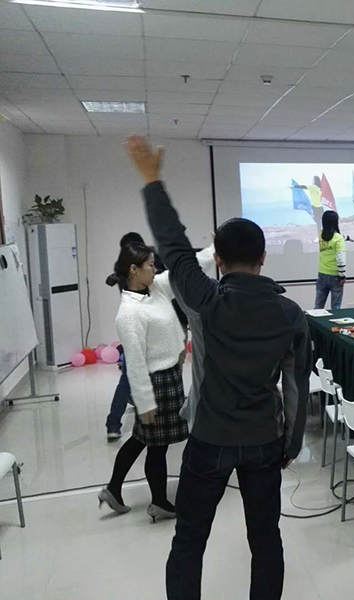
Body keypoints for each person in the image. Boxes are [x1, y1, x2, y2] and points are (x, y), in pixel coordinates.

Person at [124, 135, 312, 600]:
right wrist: (291, 443)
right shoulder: (291, 315)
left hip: (209, 440)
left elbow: (174, 248)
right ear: (263, 258)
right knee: (266, 540)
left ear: (219, 260)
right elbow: (296, 386)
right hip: (265, 442)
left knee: (189, 541)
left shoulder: (205, 301)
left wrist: (152, 180)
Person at [98, 241, 203, 521]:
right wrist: (144, 402)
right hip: (156, 383)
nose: (155, 269)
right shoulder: (129, 313)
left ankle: (113, 489)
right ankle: (159, 502)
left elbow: (181, 272)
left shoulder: (154, 289)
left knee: (141, 439)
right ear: (134, 270)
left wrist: (217, 250)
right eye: (150, 265)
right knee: (157, 446)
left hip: (168, 377)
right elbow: (134, 364)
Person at [105, 232, 190, 441]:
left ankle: (119, 422)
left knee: (164, 372)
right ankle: (119, 421)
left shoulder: (135, 268)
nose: (152, 268)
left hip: (166, 324)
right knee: (135, 375)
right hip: (153, 328)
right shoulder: (135, 272)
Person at [315, 210, 346, 310]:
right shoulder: (338, 239)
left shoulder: (320, 235)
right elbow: (340, 258)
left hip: (322, 274)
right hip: (335, 276)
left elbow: (336, 237)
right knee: (336, 308)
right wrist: (342, 276)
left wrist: (347, 237)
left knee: (318, 306)